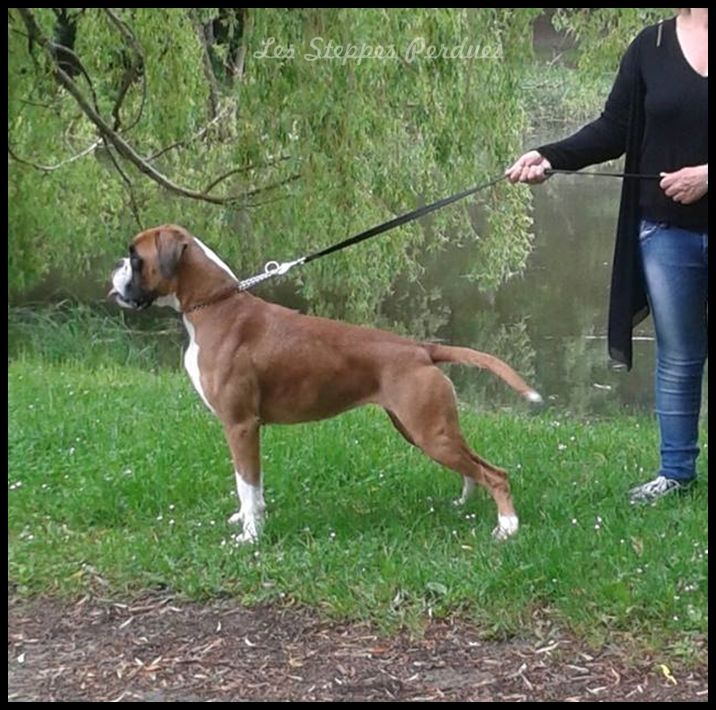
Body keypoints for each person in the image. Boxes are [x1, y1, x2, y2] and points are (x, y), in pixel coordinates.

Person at [507, 9, 708, 503]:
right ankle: (676, 475)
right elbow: (614, 128)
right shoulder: (651, 45)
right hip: (665, 231)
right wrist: (550, 156)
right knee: (679, 357)